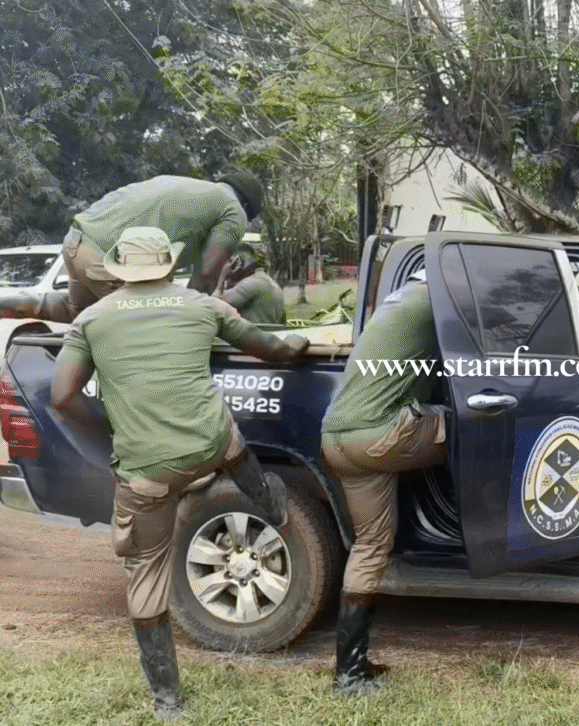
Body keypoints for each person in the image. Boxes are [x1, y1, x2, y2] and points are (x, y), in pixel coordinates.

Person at [51, 226, 309, 720]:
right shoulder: (202, 306)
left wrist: (112, 441)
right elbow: (271, 348)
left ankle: (168, 702)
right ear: (169, 264)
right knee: (227, 434)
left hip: (147, 472)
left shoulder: (92, 319)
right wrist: (297, 345)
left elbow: (62, 398)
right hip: (209, 446)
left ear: (121, 269)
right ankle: (269, 503)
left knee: (147, 574)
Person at [320, 269, 447, 697]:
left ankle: (350, 674)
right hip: (377, 438)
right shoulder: (436, 301)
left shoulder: (400, 302)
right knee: (479, 417)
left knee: (371, 547)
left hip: (337, 440)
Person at [40, 171, 263, 322]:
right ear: (246, 206)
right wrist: (186, 318)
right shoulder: (234, 210)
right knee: (152, 328)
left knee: (79, 315)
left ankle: (19, 304)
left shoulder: (190, 187)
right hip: (106, 261)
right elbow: (205, 276)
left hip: (76, 241)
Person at [215, 244, 285, 325]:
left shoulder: (252, 283)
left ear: (239, 262)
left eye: (231, 262)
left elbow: (212, 305)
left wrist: (222, 278)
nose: (228, 266)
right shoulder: (265, 280)